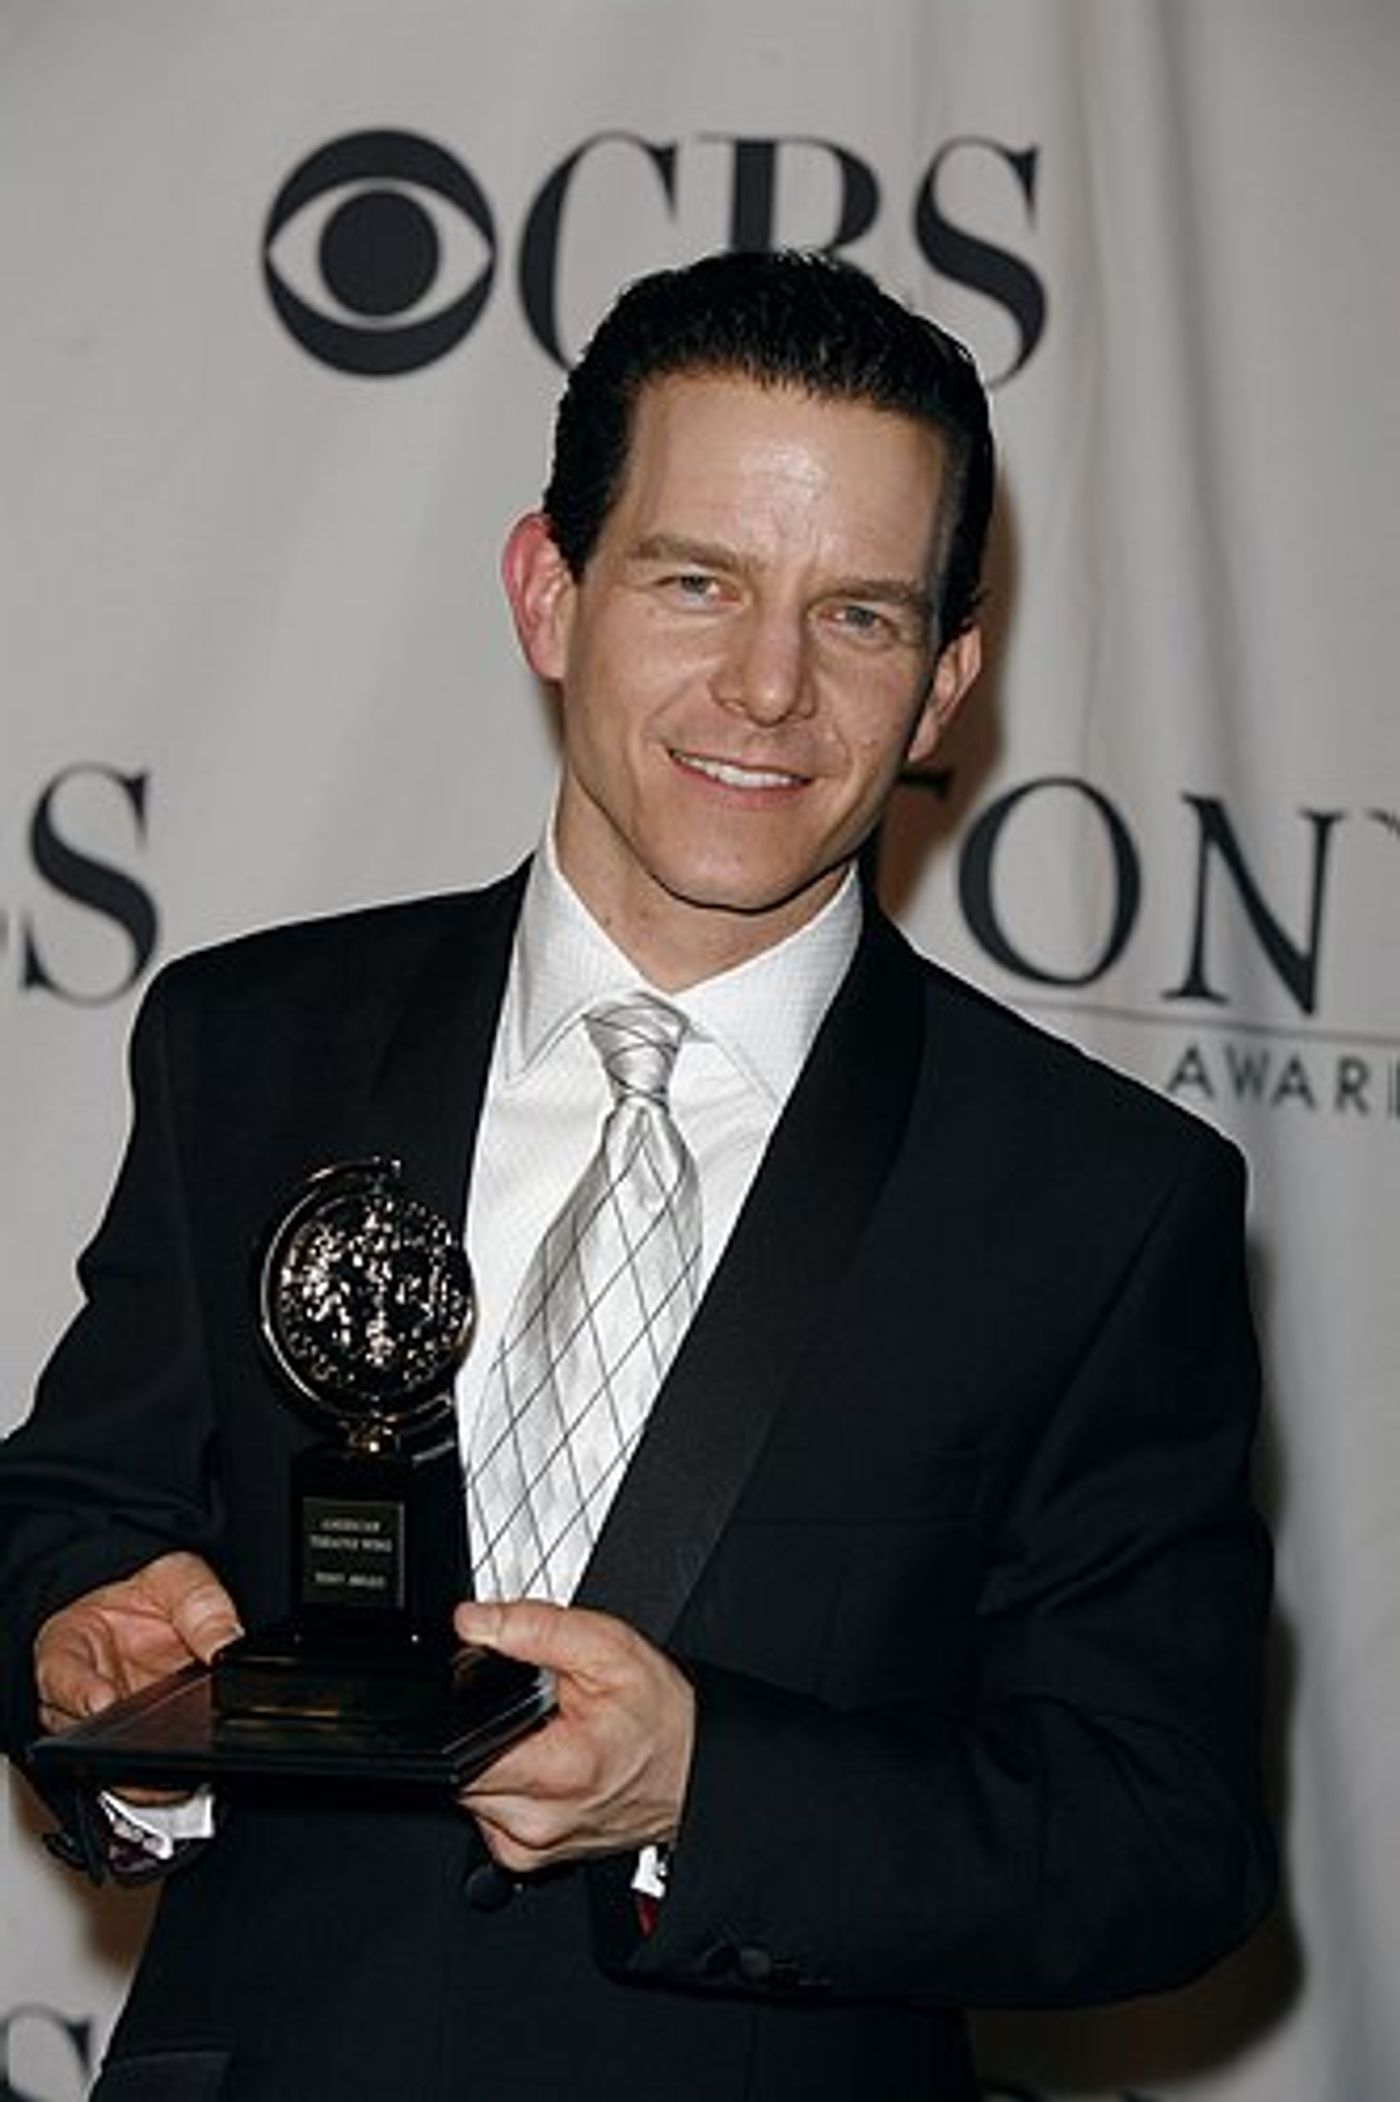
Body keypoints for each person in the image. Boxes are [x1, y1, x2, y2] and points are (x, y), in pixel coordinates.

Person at [0, 250, 1274, 2101]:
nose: (768, 686)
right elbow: (76, 1508)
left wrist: (705, 1785)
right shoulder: (249, 1045)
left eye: (858, 615)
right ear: (550, 591)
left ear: (945, 683)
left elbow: (1164, 1832)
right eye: (698, 581)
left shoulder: (1100, 1199)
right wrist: (89, 1652)